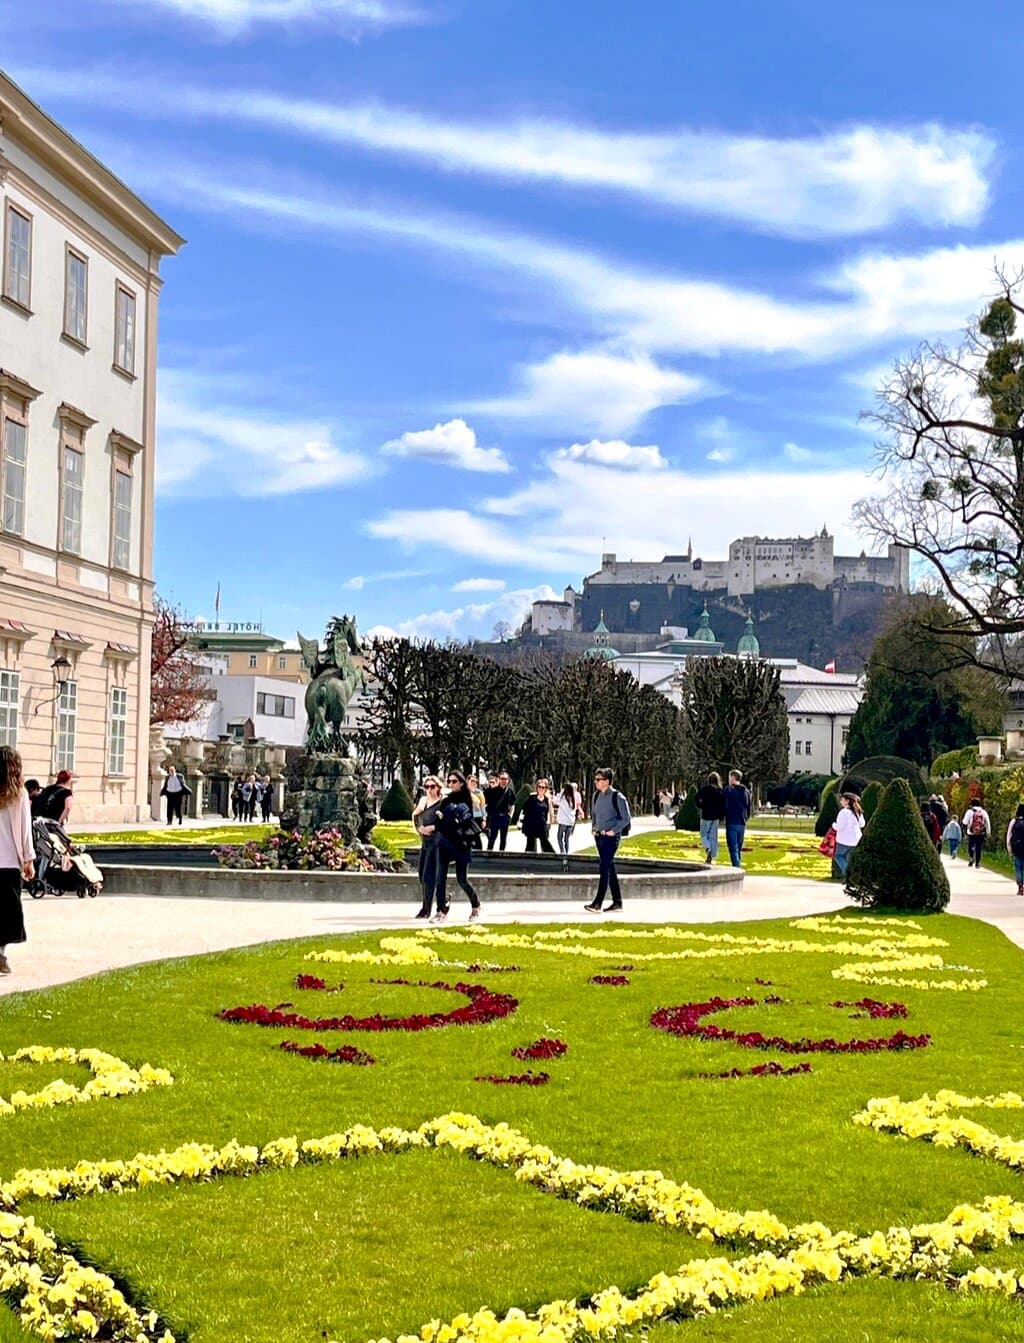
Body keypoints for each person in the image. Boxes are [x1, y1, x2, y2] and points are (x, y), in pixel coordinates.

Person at [429, 771, 482, 921]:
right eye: (449, 782)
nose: (451, 784)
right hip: (445, 842)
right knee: (440, 877)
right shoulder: (446, 800)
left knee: (462, 879)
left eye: (454, 781)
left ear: (461, 783)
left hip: (461, 844)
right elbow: (439, 821)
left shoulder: (466, 799)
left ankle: (475, 905)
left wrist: (451, 819)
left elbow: (465, 821)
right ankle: (441, 910)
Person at [0, 746, 33, 976]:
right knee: (7, 912)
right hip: (10, 861)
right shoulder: (20, 794)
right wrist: (29, 859)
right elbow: (25, 831)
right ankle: (0, 955)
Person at [584, 767, 631, 913]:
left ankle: (598, 903)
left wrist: (614, 831)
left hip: (611, 838)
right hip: (599, 837)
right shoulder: (596, 796)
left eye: (599, 779)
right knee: (609, 867)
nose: (596, 782)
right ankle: (618, 902)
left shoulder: (618, 797)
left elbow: (626, 818)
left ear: (607, 781)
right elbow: (595, 814)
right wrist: (594, 827)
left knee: (604, 868)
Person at [412, 776, 445, 918]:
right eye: (427, 787)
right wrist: (420, 828)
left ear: (438, 787)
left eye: (432, 786)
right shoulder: (423, 801)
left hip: (436, 842)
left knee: (428, 875)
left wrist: (434, 827)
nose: (429, 790)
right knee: (421, 874)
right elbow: (415, 815)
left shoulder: (443, 803)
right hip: (425, 842)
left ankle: (427, 909)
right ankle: (430, 905)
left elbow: (447, 823)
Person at [722, 769, 752, 868]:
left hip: (732, 821)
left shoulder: (728, 790)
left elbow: (725, 805)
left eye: (729, 777)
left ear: (733, 778)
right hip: (742, 822)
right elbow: (748, 808)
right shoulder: (746, 792)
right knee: (738, 848)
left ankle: (737, 868)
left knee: (733, 848)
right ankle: (737, 866)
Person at [831, 792, 865, 877]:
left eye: (842, 800)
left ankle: (848, 874)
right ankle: (853, 874)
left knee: (838, 856)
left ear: (847, 801)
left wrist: (833, 825)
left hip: (844, 840)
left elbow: (840, 826)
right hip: (856, 840)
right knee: (849, 858)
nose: (840, 801)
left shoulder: (844, 812)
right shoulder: (857, 812)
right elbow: (862, 824)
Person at [695, 772, 725, 863]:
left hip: (706, 815)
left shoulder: (705, 789)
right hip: (715, 817)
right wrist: (721, 815)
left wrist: (701, 806)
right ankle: (712, 854)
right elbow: (722, 805)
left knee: (704, 834)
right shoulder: (720, 791)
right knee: (713, 837)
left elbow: (696, 798)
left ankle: (708, 847)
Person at [521, 779, 555, 853]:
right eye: (539, 787)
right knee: (530, 844)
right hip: (532, 824)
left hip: (542, 824)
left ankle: (552, 857)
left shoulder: (547, 800)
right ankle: (529, 859)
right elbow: (525, 810)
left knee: (545, 842)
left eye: (543, 787)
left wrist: (551, 821)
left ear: (545, 789)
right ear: (537, 788)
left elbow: (550, 811)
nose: (541, 789)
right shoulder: (532, 798)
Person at [484, 770, 515, 851]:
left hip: (505, 817)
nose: (504, 781)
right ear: (499, 779)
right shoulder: (493, 791)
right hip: (495, 817)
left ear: (508, 780)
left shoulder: (510, 792)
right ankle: (489, 853)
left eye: (505, 779)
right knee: (492, 838)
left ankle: (502, 854)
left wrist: (510, 816)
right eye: (502, 778)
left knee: (503, 839)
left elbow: (512, 804)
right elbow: (486, 804)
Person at [554, 781, 583, 855]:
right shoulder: (573, 799)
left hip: (563, 822)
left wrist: (560, 793)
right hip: (570, 822)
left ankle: (562, 851)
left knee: (559, 837)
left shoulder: (563, 798)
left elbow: (554, 800)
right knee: (566, 839)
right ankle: (566, 852)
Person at [962, 797, 991, 868]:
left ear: (972, 804)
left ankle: (971, 858)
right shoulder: (983, 812)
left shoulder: (969, 811)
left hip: (971, 832)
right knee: (979, 847)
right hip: (981, 833)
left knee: (971, 845)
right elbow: (987, 822)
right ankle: (977, 863)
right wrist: (988, 832)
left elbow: (964, 822)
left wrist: (965, 830)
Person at [1006, 804, 1024, 897]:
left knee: (1018, 868)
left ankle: (1020, 887)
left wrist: (1009, 849)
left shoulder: (1014, 821)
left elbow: (1009, 836)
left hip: (1017, 848)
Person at [467, 774, 486, 849]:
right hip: (468, 817)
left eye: (475, 781)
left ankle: (478, 850)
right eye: (472, 781)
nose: (473, 783)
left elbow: (482, 806)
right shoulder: (464, 792)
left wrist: (484, 819)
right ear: (467, 781)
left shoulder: (479, 793)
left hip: (477, 817)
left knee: (476, 835)